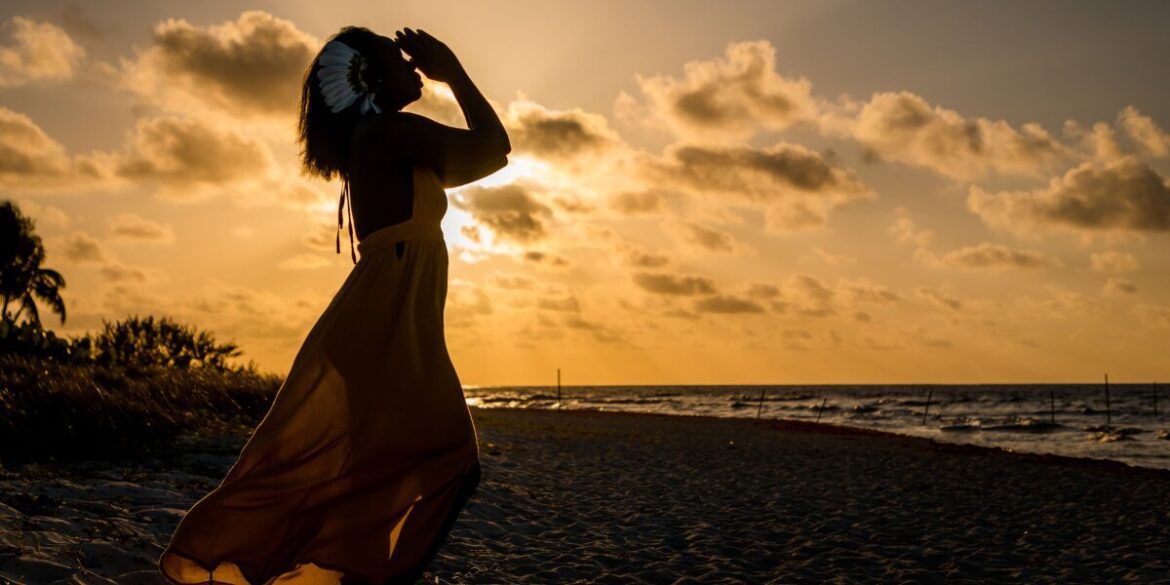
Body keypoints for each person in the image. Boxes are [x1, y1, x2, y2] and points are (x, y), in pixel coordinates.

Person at [158, 26, 509, 585]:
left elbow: (488, 158)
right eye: (400, 61)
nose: (414, 68)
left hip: (388, 324)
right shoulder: (387, 134)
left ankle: (350, 574)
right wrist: (455, 70)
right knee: (451, 461)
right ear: (367, 77)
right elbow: (495, 149)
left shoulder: (382, 138)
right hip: (385, 326)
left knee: (385, 474)